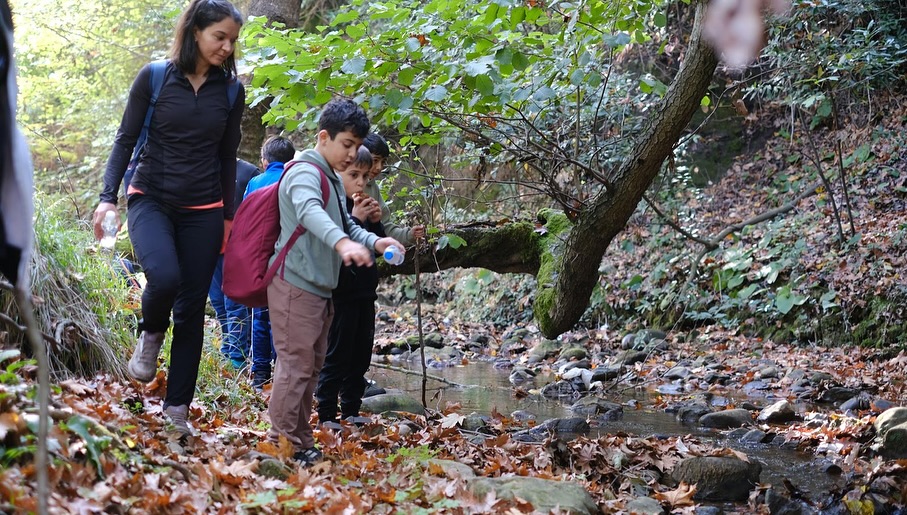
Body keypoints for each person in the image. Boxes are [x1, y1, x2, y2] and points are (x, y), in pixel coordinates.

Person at [92, 0, 245, 435]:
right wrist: (108, 198)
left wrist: (228, 217)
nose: (227, 47)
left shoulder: (231, 91)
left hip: (205, 210)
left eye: (233, 40)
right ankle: (151, 333)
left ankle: (177, 412)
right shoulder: (155, 77)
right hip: (150, 198)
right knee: (162, 277)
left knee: (194, 309)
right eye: (220, 37)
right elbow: (124, 140)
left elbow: (227, 157)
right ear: (195, 30)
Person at [266, 98, 403, 466]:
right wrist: (342, 243)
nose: (352, 154)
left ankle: (299, 439)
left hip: (319, 290)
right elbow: (311, 213)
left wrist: (376, 241)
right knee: (295, 367)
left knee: (309, 368)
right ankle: (281, 445)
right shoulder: (304, 173)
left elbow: (346, 223)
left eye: (356, 146)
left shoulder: (328, 175)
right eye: (346, 145)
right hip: (295, 284)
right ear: (324, 137)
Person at [314, 146, 385, 424]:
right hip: (340, 293)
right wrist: (356, 218)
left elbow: (376, 249)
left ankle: (352, 411)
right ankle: (327, 413)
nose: (360, 182)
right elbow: (336, 244)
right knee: (337, 354)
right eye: (353, 174)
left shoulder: (361, 202)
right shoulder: (332, 206)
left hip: (365, 291)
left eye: (365, 176)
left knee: (360, 356)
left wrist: (376, 224)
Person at [243, 135, 296, 389]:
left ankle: (260, 372)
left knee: (261, 316)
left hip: (261, 260)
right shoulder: (295, 182)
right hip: (290, 260)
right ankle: (284, 371)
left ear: (265, 161)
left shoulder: (255, 183)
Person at [209, 158, 259, 370]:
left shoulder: (248, 172)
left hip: (238, 247)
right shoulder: (205, 166)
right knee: (218, 302)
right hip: (209, 245)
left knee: (234, 303)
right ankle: (228, 349)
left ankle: (237, 358)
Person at [362, 133, 425, 247]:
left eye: (383, 162)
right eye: (375, 160)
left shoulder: (372, 187)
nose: (379, 167)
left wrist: (409, 234)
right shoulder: (340, 182)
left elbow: (385, 227)